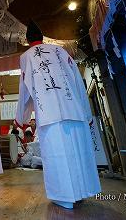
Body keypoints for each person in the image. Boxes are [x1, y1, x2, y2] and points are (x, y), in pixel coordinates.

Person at [14, 20, 101, 209]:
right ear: (42, 36)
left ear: (28, 40)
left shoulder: (26, 57)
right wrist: (86, 111)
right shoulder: (61, 51)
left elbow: (25, 90)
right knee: (77, 152)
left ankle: (64, 197)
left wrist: (21, 118)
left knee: (58, 155)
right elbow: (78, 81)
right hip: (74, 110)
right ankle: (82, 192)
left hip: (49, 114)